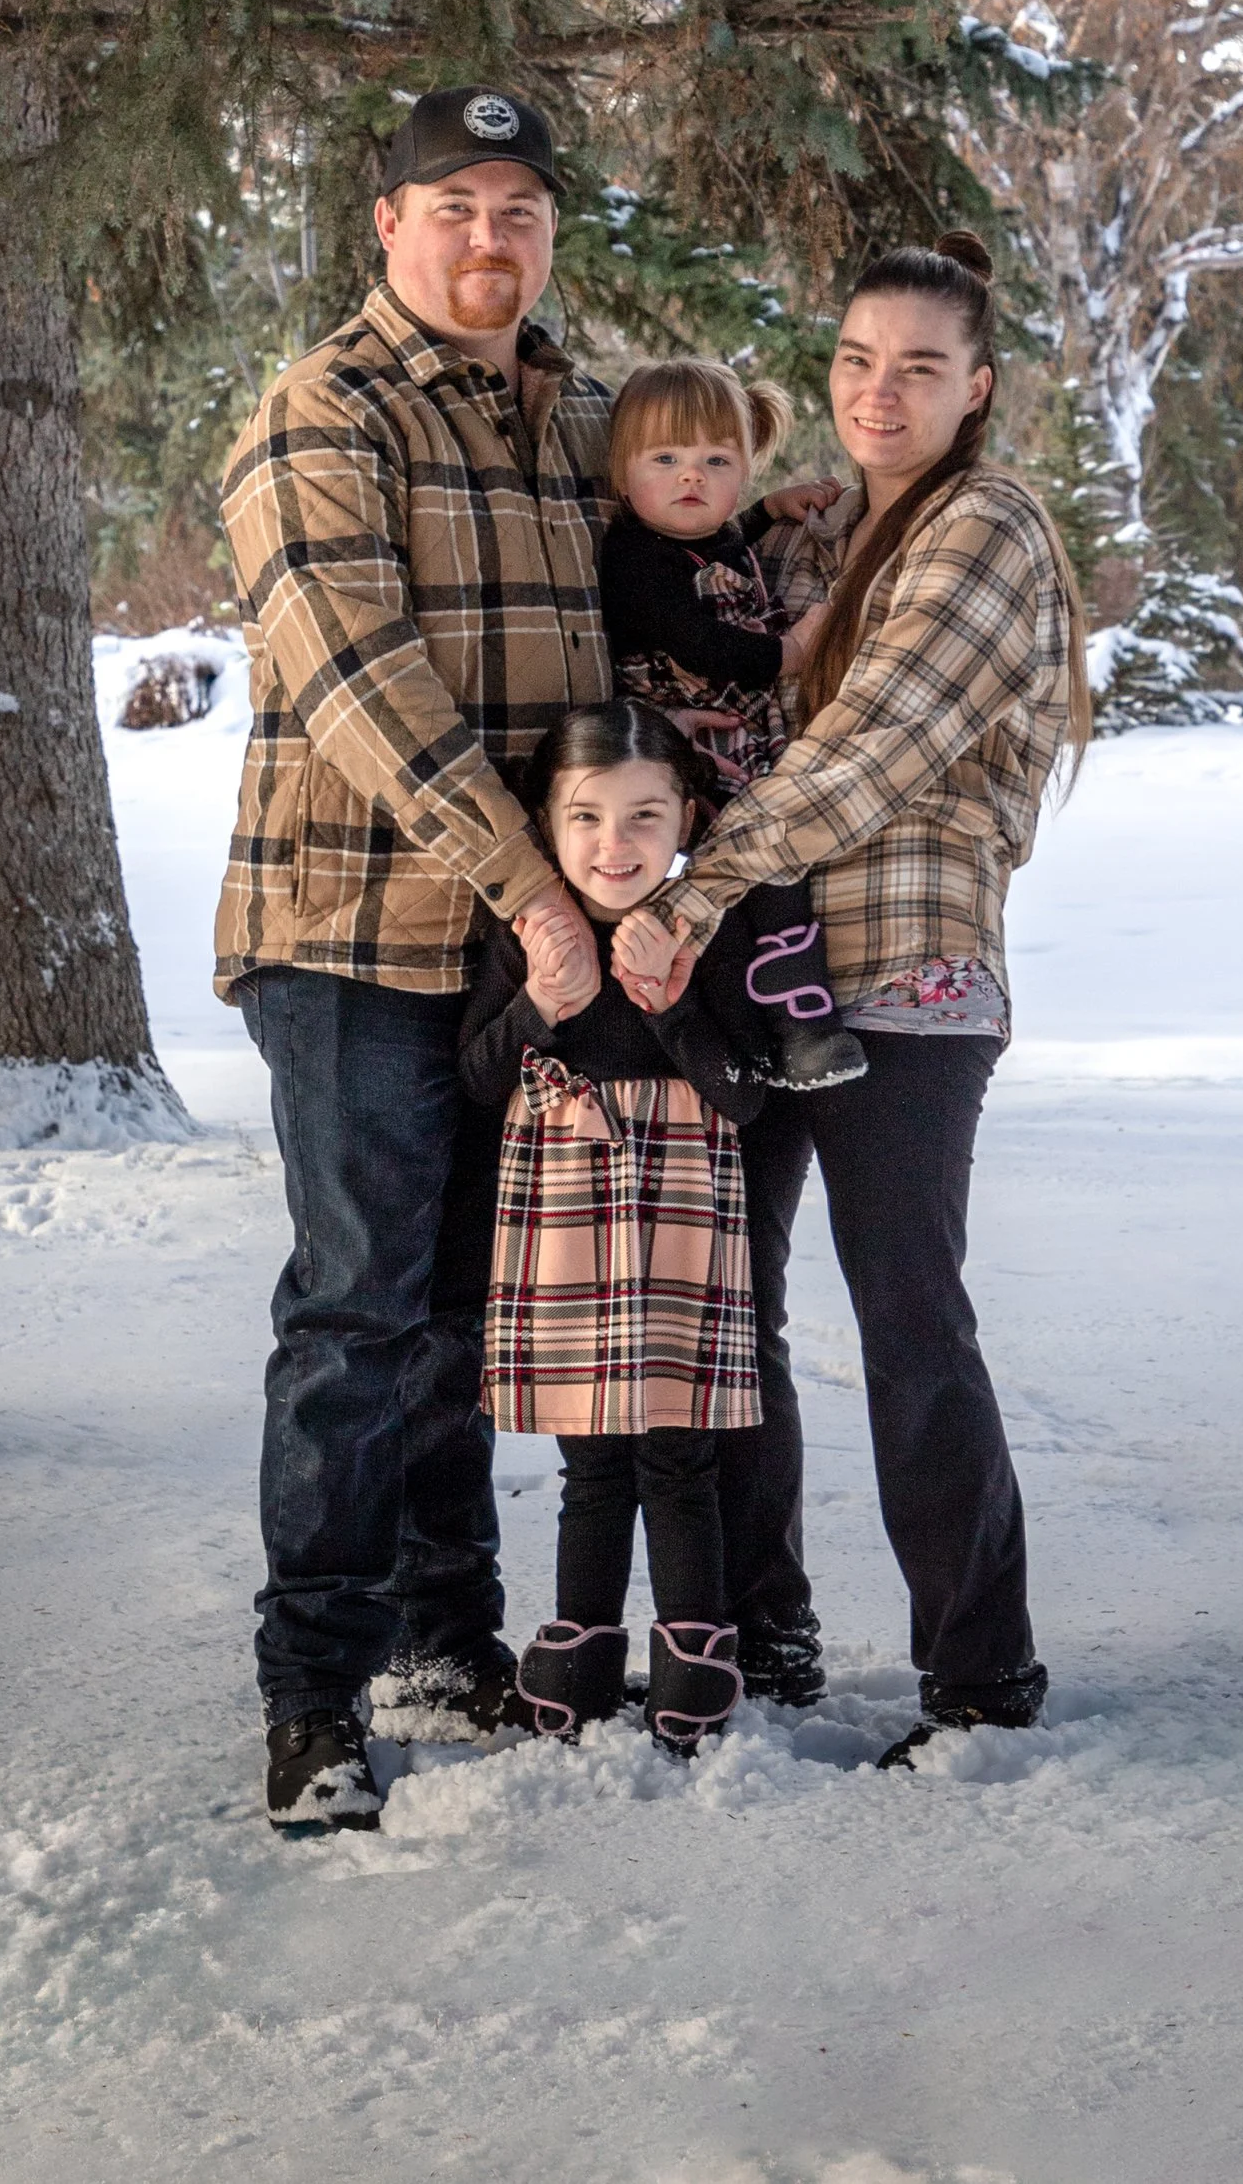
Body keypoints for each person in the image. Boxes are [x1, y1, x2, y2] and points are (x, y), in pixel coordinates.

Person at [627, 233, 1094, 1763]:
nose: (877, 392)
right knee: (733, 1313)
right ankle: (768, 1638)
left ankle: (980, 1674)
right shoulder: (823, 537)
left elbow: (867, 749)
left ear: (980, 387)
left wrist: (689, 890)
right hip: (773, 967)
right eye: (852, 359)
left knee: (906, 1317)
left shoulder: (989, 526)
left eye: (918, 365)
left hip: (899, 968)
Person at [215, 87, 615, 1836]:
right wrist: (536, 889)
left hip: (526, 942)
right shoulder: (322, 413)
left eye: (518, 208)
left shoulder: (576, 412)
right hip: (356, 935)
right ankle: (315, 1694)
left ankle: (447, 1641)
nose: (486, 237)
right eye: (451, 205)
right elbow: (362, 682)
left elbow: (685, 560)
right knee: (360, 1313)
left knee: (464, 1314)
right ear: (385, 226)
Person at [459, 705, 764, 1755]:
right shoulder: (530, 937)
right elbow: (477, 1076)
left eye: (644, 816)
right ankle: (584, 1639)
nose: (614, 845)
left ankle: (693, 1646)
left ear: (685, 817)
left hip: (684, 1202)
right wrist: (543, 1001)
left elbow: (748, 1096)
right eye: (584, 817)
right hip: (566, 1204)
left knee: (677, 1453)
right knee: (593, 1461)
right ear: (545, 823)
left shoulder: (699, 932)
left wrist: (673, 1005)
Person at [599, 355, 865, 1094]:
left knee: (772, 860)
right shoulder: (632, 555)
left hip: (738, 737)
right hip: (682, 745)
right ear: (624, 475)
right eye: (666, 459)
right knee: (763, 861)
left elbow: (715, 545)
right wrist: (792, 652)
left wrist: (765, 513)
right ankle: (799, 1028)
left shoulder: (706, 533)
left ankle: (769, 1029)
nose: (692, 477)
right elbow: (699, 641)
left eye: (717, 460)